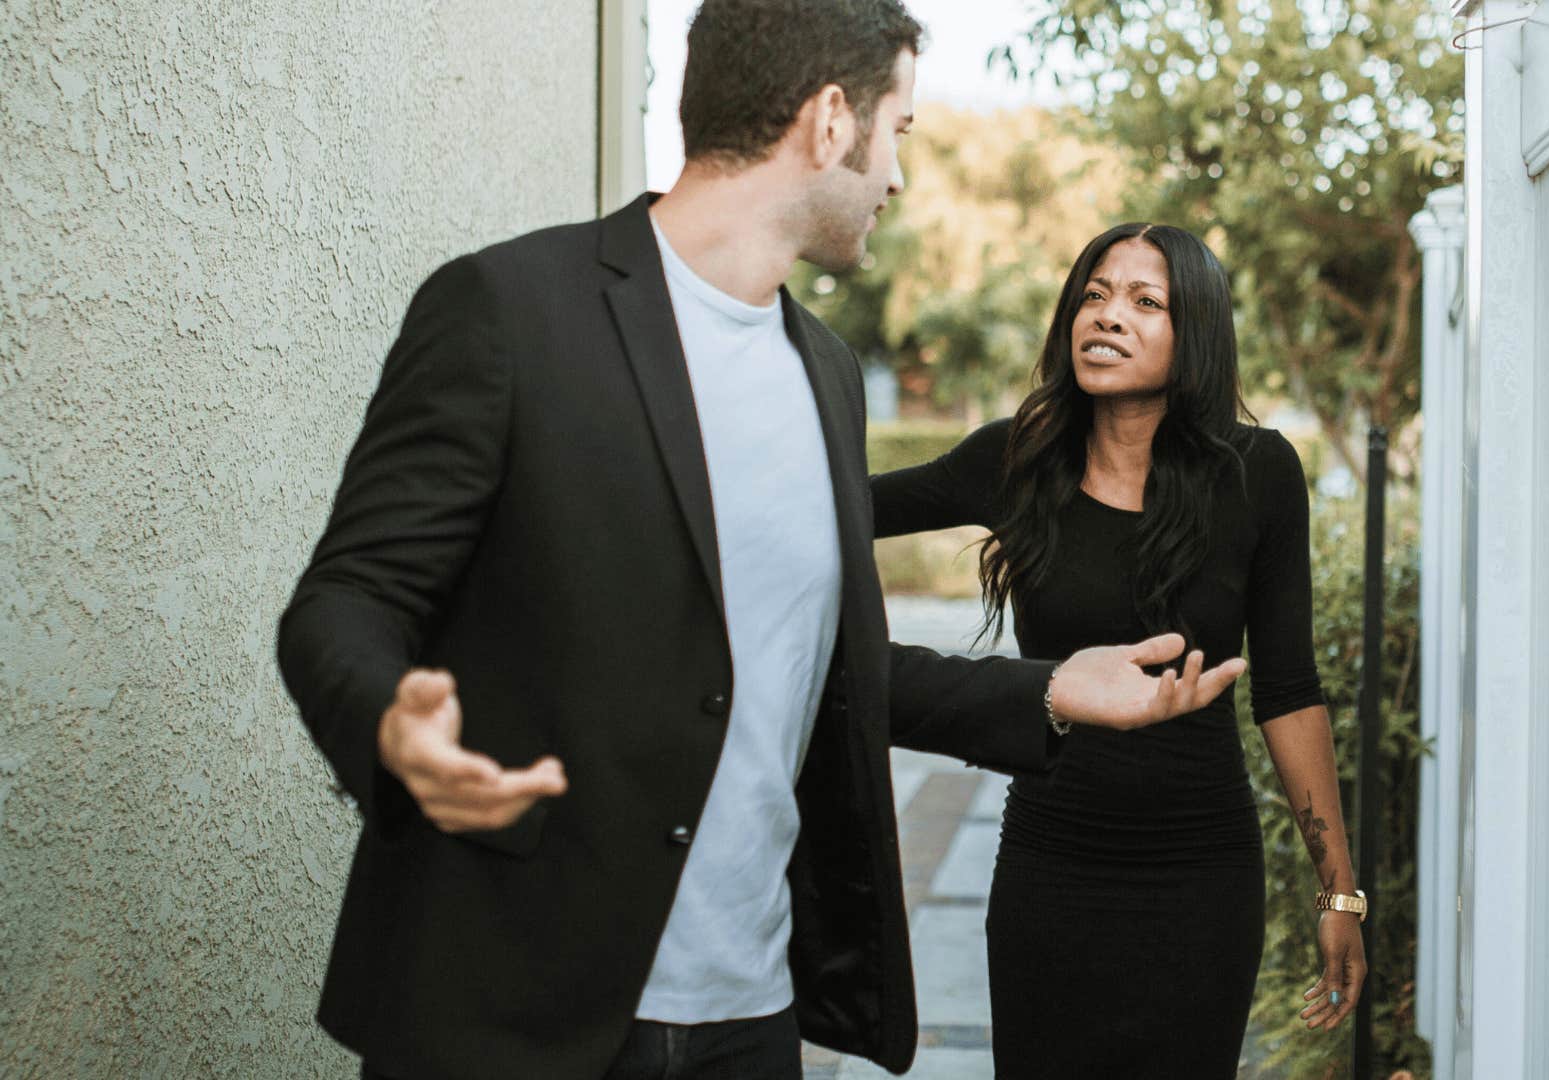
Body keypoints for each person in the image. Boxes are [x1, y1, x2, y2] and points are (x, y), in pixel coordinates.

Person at [275, 4, 1246, 1079]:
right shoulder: (506, 311)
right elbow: (348, 597)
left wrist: (1052, 691)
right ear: (832, 123)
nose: (899, 178)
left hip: (748, 1013)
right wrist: (389, 731)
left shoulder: (826, 373)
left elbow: (825, 673)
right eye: (900, 135)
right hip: (517, 1006)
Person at [870, 223, 1369, 1078]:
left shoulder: (1260, 474)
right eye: (1094, 296)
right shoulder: (1015, 458)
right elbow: (837, 506)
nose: (1108, 317)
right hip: (1049, 867)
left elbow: (1287, 689)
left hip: (1201, 875)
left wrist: (1338, 891)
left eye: (1146, 301)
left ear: (1197, 332)